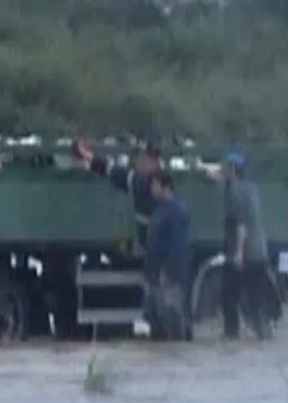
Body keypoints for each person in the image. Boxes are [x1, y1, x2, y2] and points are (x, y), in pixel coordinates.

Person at [202, 149, 274, 339]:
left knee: (231, 294)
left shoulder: (236, 191)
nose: (223, 170)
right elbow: (216, 177)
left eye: (226, 167)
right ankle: (261, 331)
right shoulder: (248, 188)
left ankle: (234, 332)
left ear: (233, 169)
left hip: (245, 253)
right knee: (253, 295)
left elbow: (242, 224)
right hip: (258, 252)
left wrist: (239, 254)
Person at [74, 140, 162, 248]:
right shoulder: (136, 180)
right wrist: (84, 153)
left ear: (155, 162)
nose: (143, 163)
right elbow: (109, 168)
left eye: (149, 160)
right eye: (142, 159)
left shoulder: (161, 183)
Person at [142, 171, 192, 341]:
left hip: (169, 272)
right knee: (151, 312)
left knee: (173, 313)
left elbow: (176, 246)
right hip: (155, 271)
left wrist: (167, 271)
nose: (151, 189)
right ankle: (163, 350)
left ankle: (176, 348)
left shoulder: (176, 210)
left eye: (154, 185)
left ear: (165, 186)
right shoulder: (161, 207)